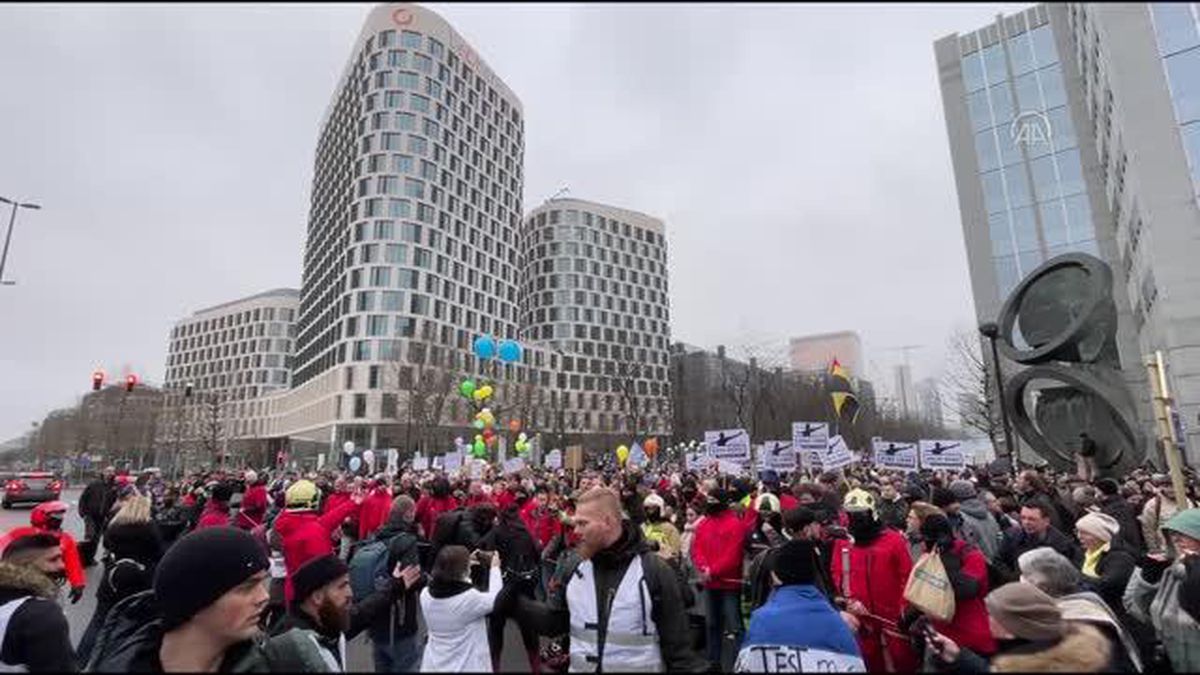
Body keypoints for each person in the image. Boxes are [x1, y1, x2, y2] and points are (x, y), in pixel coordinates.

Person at [512, 486, 707, 672]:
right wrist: (514, 603)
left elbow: (679, 654)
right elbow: (553, 621)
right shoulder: (573, 566)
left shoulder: (653, 570)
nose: (576, 531)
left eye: (582, 523)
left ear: (607, 522)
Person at [85, 527, 271, 672]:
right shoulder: (121, 662)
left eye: (263, 583)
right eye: (247, 587)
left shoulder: (277, 661)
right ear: (195, 599)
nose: (264, 597)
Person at [260, 553, 420, 672]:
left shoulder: (327, 620)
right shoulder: (290, 650)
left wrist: (395, 587)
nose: (350, 593)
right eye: (342, 586)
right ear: (317, 597)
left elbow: (362, 613)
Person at [735, 539, 865, 672]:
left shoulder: (761, 620)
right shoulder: (840, 625)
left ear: (776, 575)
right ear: (815, 573)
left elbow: (748, 665)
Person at [926, 581, 1113, 672]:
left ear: (1011, 627)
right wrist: (957, 657)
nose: (986, 618)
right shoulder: (1039, 648)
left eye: (992, 614)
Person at [1017, 547, 1145, 672]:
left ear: (1043, 584)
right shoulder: (1072, 606)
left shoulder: (1078, 620)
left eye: (1025, 576)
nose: (1020, 581)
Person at [830, 488, 917, 673]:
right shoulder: (844, 542)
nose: (856, 519)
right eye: (851, 515)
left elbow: (907, 576)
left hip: (892, 619)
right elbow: (838, 574)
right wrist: (850, 600)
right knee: (869, 663)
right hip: (861, 618)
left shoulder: (894, 540)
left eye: (860, 514)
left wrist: (903, 610)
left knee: (901, 662)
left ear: (872, 513)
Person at [77, 495, 166, 665]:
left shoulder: (115, 525)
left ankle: (82, 660)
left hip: (113, 577)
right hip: (140, 578)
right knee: (131, 624)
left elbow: (108, 546)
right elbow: (159, 551)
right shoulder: (149, 527)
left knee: (99, 622)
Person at [903, 514, 995, 660]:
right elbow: (925, 590)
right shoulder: (930, 555)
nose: (924, 545)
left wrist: (945, 559)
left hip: (971, 640)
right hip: (939, 638)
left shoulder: (969, 555)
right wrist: (908, 616)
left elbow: (967, 590)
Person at [1124, 508, 1200, 672]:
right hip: (1173, 662)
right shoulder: (1171, 571)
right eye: (1172, 534)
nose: (1177, 539)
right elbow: (1139, 612)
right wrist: (1147, 580)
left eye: (1185, 533)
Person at [690, 485, 759, 668]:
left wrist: (712, 570)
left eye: (714, 501)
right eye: (709, 500)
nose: (710, 504)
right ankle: (713, 662)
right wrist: (703, 567)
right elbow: (697, 548)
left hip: (729, 584)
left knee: (735, 625)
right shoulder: (704, 523)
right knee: (712, 624)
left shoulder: (735, 524)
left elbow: (733, 555)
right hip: (710, 583)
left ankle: (741, 663)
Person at [273, 479, 362, 604]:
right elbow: (325, 569)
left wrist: (352, 503)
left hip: (294, 588)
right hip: (312, 597)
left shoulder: (289, 522)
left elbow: (327, 520)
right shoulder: (314, 532)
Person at [477, 502, 543, 673]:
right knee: (529, 632)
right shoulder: (525, 532)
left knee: (496, 631)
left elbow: (484, 551)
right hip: (523, 588)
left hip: (502, 589)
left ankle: (495, 668)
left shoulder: (497, 532)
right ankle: (535, 668)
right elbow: (537, 554)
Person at [0, 533, 77, 672]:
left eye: (62, 558)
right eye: (53, 560)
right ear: (25, 566)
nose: (63, 565)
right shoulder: (41, 613)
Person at [418, 545, 503, 672]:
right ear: (461, 572)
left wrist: (463, 564)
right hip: (465, 665)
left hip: (434, 664)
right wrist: (495, 568)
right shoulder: (469, 599)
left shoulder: (425, 595)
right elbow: (497, 599)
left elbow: (454, 581)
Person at [0, 500, 86, 603]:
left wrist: (78, 583)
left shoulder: (65, 538)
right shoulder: (21, 533)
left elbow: (72, 561)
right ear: (42, 517)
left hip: (49, 582)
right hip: (20, 579)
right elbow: (2, 548)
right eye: (55, 516)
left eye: (60, 516)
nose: (59, 519)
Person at [995, 498, 1082, 581]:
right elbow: (999, 561)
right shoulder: (1012, 537)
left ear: (1046, 521)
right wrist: (1013, 578)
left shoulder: (1062, 544)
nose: (1026, 522)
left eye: (1032, 519)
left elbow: (1071, 571)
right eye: (1023, 518)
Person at [1075, 512, 1137, 615]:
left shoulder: (1120, 557)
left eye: (1085, 533)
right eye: (1078, 532)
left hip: (1115, 614)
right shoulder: (1085, 553)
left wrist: (1074, 576)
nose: (1079, 537)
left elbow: (1106, 586)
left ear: (1100, 535)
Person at [1139, 476, 1196, 555]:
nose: (1171, 489)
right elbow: (1148, 530)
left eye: (1173, 486)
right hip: (1169, 551)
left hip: (1192, 548)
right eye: (1166, 486)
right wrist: (1154, 550)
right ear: (1161, 487)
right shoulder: (1153, 505)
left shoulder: (1189, 501)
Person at [950, 479, 1001, 562]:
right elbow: (999, 537)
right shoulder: (988, 514)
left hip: (978, 566)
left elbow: (968, 547)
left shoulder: (961, 518)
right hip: (996, 562)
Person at [1096, 477, 1146, 553]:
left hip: (1126, 549)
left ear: (1102, 492)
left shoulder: (1112, 509)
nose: (1095, 495)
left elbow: (1122, 532)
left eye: (1097, 492)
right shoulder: (1123, 503)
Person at [79, 467, 117, 565]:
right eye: (108, 471)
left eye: (112, 471)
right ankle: (82, 558)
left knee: (97, 539)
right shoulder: (94, 484)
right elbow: (83, 498)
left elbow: (114, 501)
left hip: (103, 516)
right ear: (103, 472)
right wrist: (83, 513)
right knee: (90, 537)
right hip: (90, 515)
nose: (110, 473)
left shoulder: (114, 486)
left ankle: (91, 558)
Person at [641, 493, 683, 563]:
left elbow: (675, 553)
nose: (651, 512)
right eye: (648, 509)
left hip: (663, 565)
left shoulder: (670, 528)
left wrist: (659, 548)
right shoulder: (643, 527)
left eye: (654, 509)